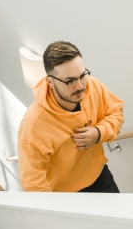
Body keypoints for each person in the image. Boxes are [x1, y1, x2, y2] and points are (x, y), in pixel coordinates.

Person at [18, 41, 124, 192]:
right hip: (64, 193)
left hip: (98, 175)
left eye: (82, 76)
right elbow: (34, 185)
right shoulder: (33, 126)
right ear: (50, 82)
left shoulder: (92, 86)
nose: (80, 86)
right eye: (70, 81)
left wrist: (99, 132)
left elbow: (116, 111)